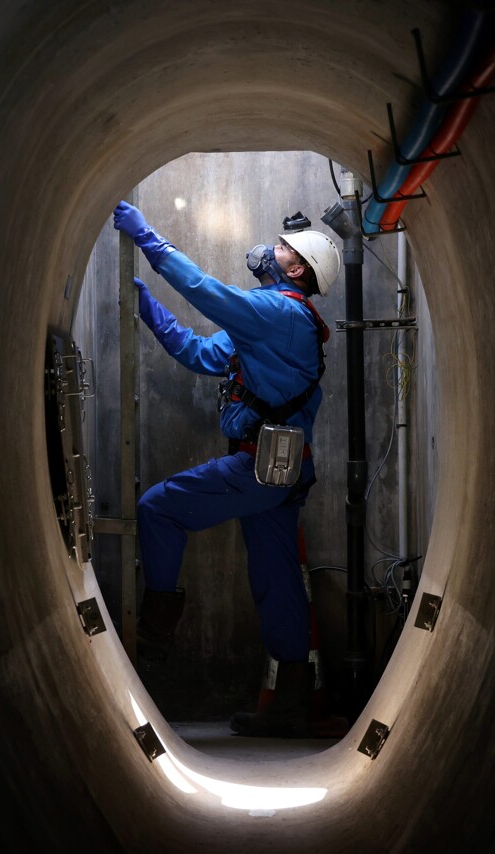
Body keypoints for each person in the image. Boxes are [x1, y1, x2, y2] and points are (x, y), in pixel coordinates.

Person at [112, 199, 341, 738]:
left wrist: (151, 243)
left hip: (260, 470)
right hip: (281, 472)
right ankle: (291, 704)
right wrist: (148, 310)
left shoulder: (280, 314)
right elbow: (197, 352)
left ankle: (155, 630)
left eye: (285, 247)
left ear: (295, 269)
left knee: (159, 510)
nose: (273, 247)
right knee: (277, 579)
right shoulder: (265, 321)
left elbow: (206, 293)